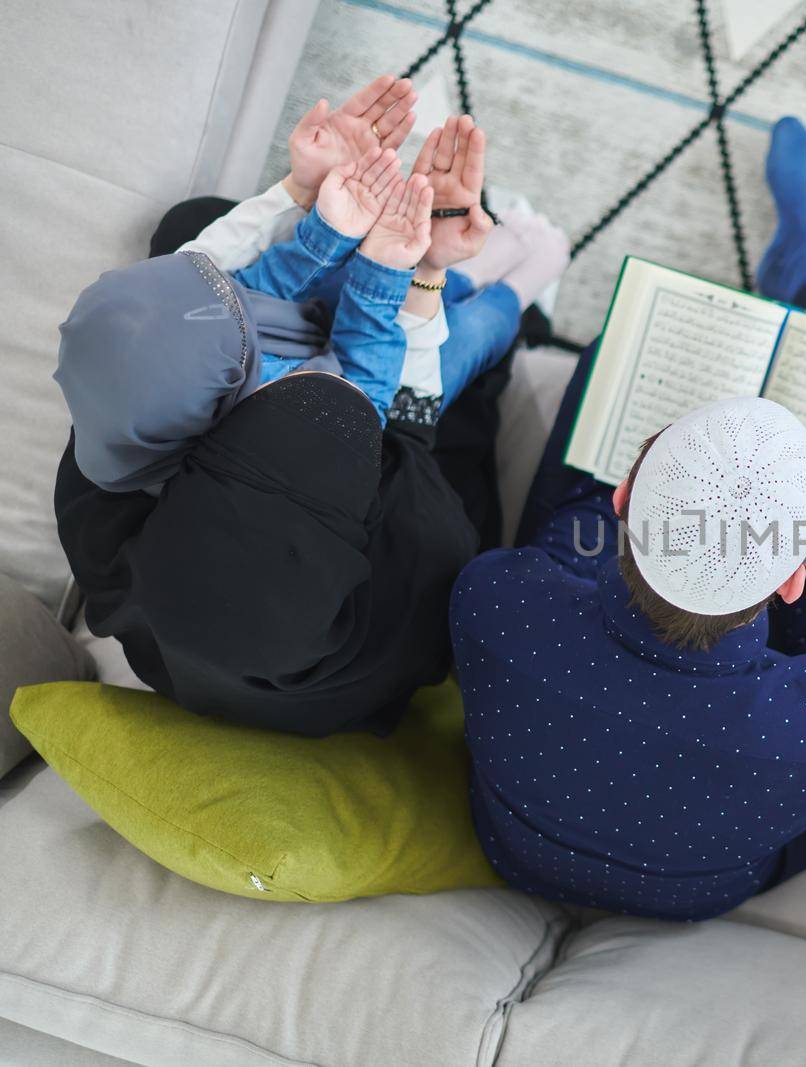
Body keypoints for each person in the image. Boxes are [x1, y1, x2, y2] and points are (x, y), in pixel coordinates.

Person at [450, 116, 806, 920]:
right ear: (796, 576)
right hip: (699, 887)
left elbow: (557, 544)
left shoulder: (495, 604)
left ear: (623, 498)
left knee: (607, 369)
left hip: (518, 849)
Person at [52, 76, 566, 735]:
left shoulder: (106, 472)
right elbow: (404, 420)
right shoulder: (426, 555)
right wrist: (421, 271)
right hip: (396, 466)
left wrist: (306, 200)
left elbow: (200, 296)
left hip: (283, 496)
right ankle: (521, 294)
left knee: (190, 230)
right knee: (465, 351)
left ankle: (412, 259)